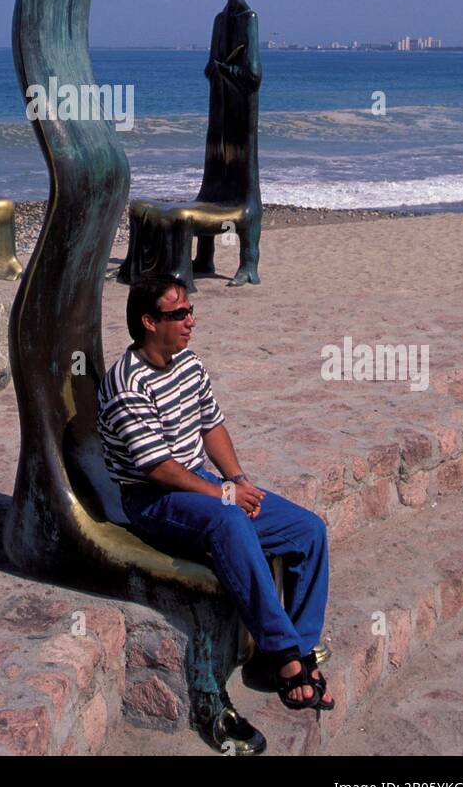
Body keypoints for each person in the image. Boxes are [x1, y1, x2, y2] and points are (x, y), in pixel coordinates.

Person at [97, 273, 334, 711]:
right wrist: (224, 497)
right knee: (229, 520)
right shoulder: (127, 385)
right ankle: (281, 654)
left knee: (308, 530)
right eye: (179, 313)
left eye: (190, 311)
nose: (191, 321)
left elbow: (212, 426)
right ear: (149, 321)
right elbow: (159, 469)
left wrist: (237, 479)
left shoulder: (189, 364)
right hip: (151, 498)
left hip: (198, 480)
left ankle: (300, 648)